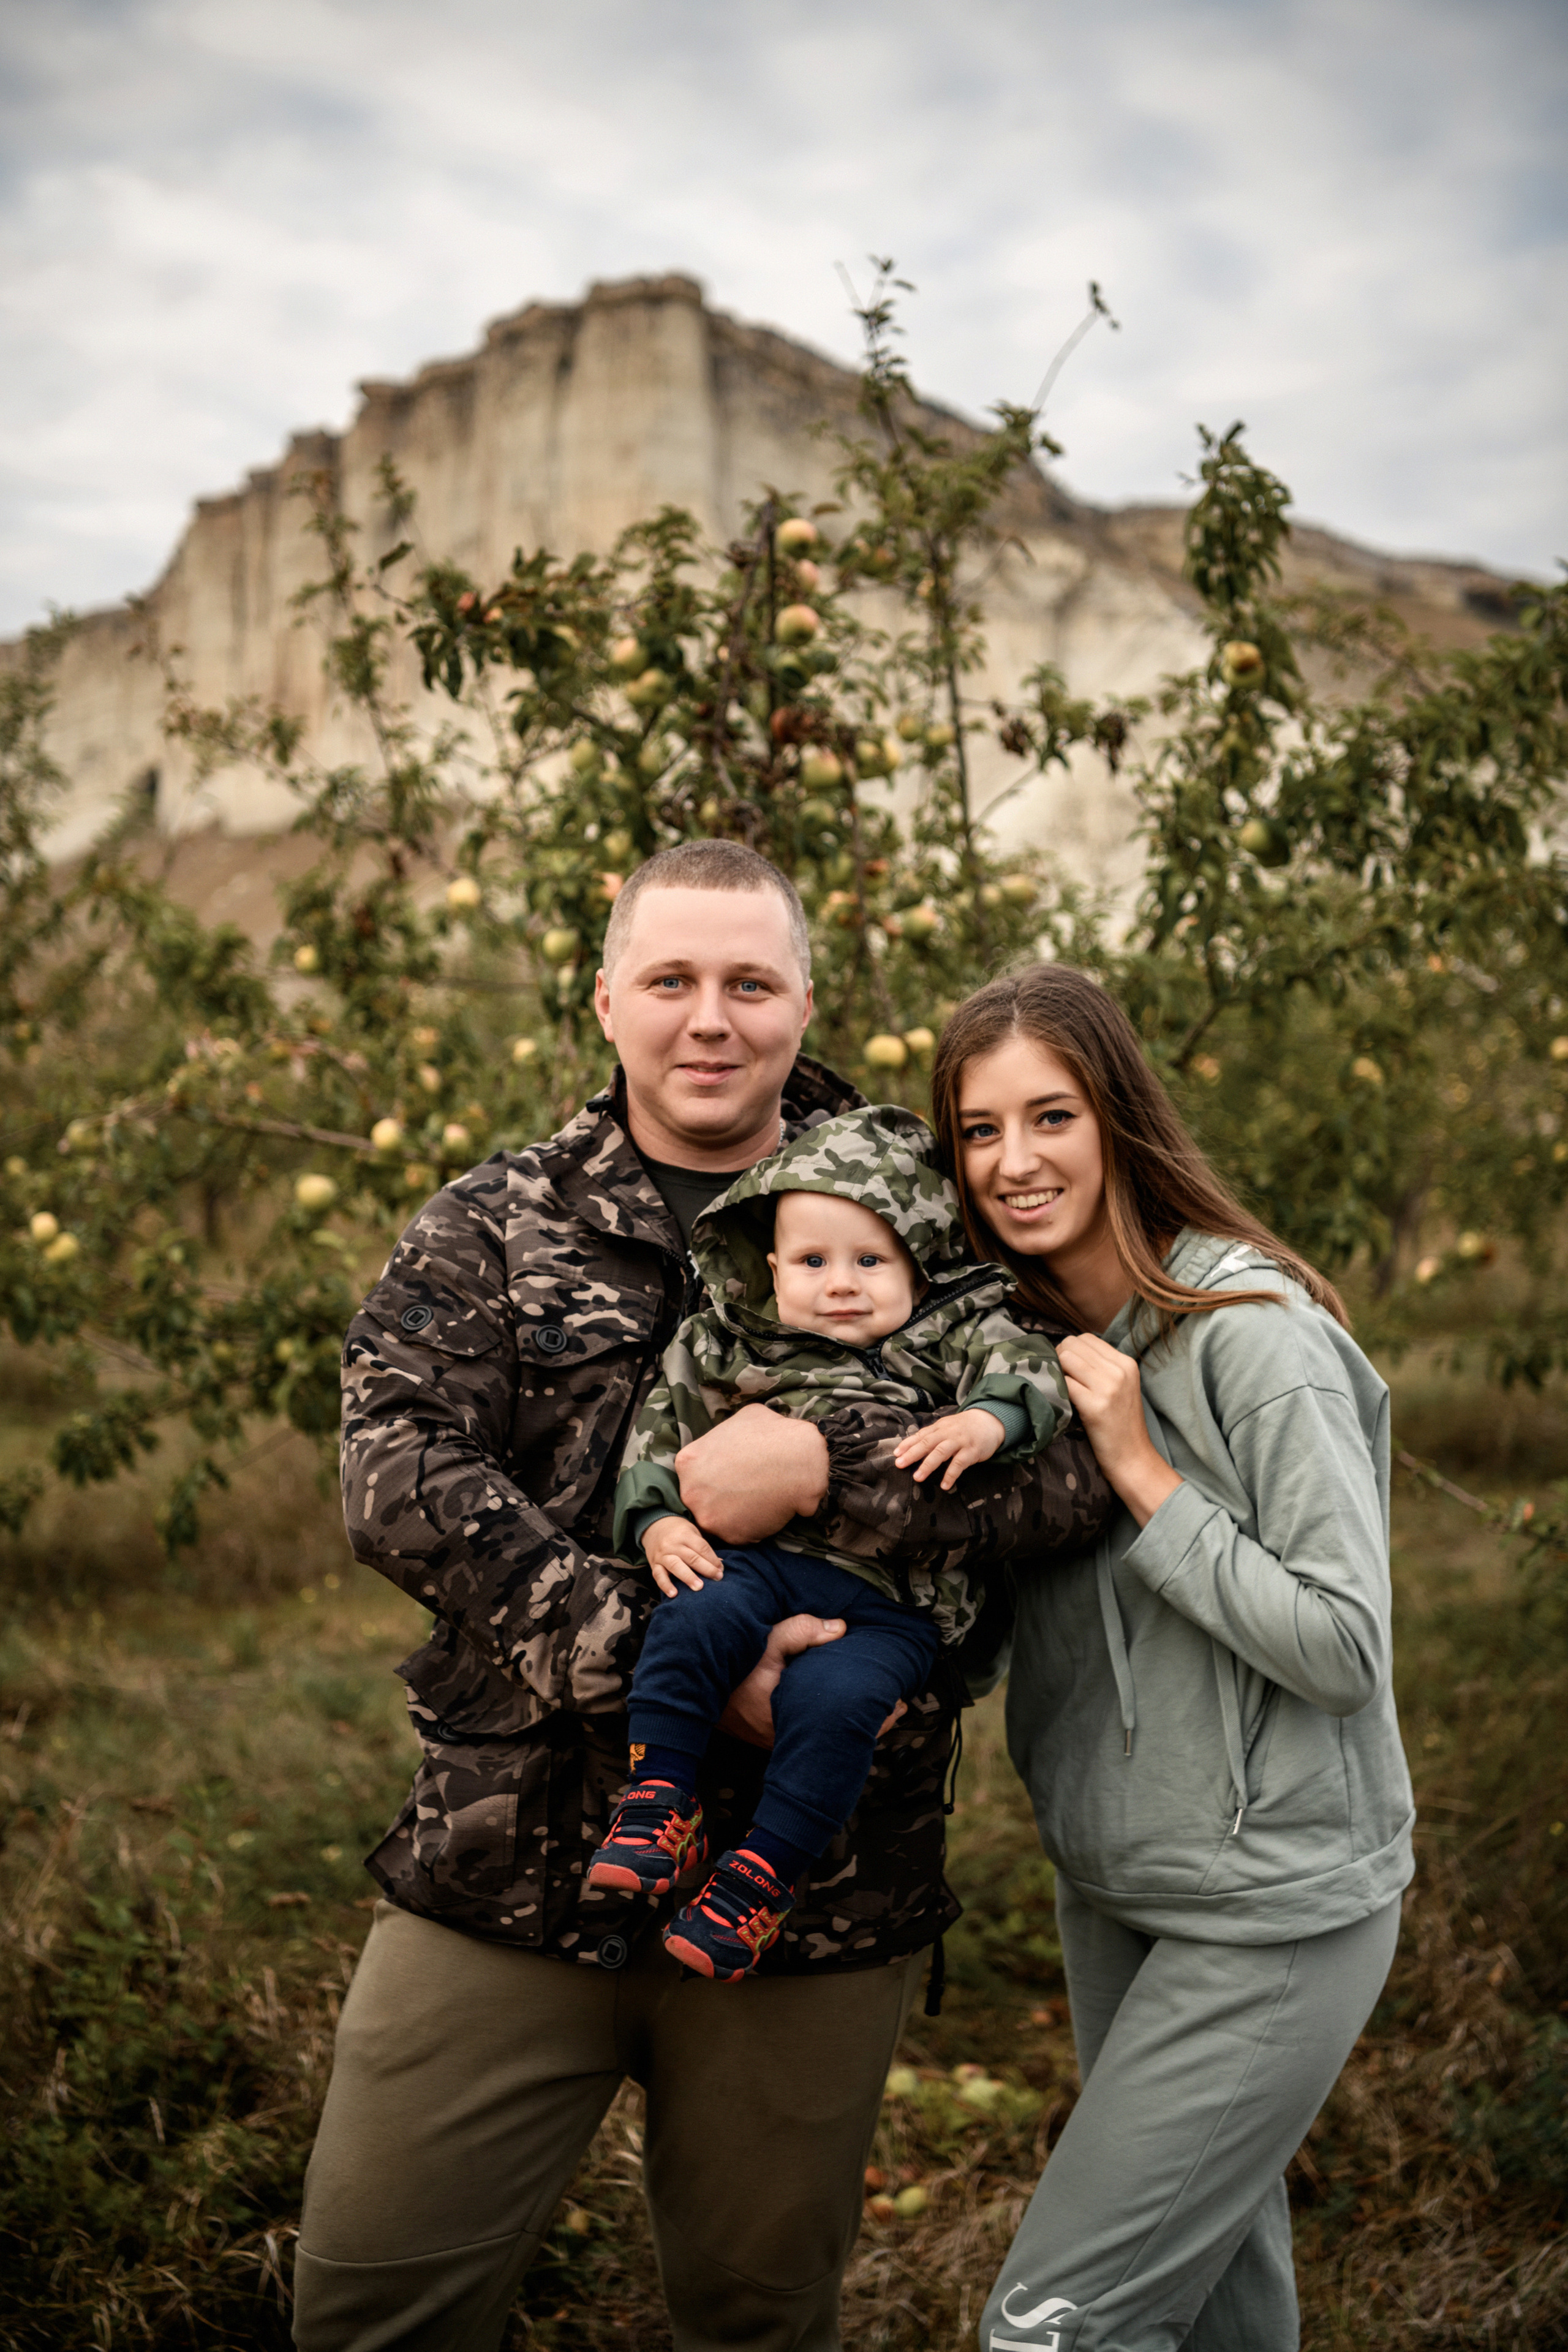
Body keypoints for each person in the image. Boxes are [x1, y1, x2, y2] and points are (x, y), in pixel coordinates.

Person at [292, 841, 1110, 2352]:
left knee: (757, 2318)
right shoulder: (494, 1226)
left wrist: (814, 1474)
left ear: (806, 999)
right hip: (506, 1872)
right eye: (670, 980)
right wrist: (655, 1647)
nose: (708, 1020)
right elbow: (391, 1473)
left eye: (748, 982)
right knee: (371, 2310)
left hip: (811, 1897)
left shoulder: (929, 1204)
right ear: (606, 999)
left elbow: (1076, 1469)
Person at [922, 963, 1415, 2352]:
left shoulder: (1255, 1341)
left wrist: (1142, 1471)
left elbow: (1340, 1644)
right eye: (976, 1131)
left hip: (1270, 1906)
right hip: (1117, 1885)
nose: (1012, 1163)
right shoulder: (1014, 1361)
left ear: (1117, 1119)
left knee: (1048, 2332)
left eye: (1049, 1117)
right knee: (1210, 2308)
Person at [590, 1102, 1075, 1978]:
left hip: (896, 1605)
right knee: (694, 1619)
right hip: (762, 1566)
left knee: (837, 1704)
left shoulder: (956, 1331)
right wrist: (656, 1515)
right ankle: (659, 1795)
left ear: (918, 1270)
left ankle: (761, 1877)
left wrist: (991, 1420)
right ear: (771, 1268)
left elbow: (1027, 1364)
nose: (841, 1284)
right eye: (813, 1262)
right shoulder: (726, 1340)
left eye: (870, 1261)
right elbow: (661, 1432)